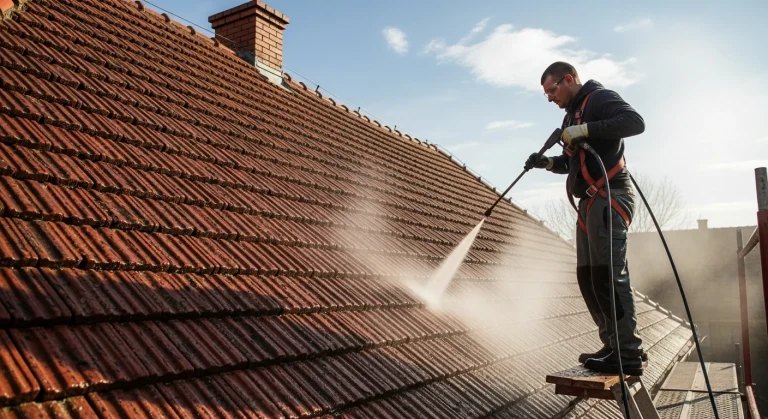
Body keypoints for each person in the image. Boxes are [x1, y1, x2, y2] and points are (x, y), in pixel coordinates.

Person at [526, 61, 647, 375]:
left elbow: (634, 122)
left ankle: (628, 353)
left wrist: (585, 130)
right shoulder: (571, 116)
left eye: (552, 90)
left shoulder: (599, 98)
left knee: (609, 275)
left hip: (611, 195)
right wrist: (547, 163)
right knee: (588, 276)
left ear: (568, 79)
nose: (550, 98)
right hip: (589, 204)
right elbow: (571, 162)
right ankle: (612, 344)